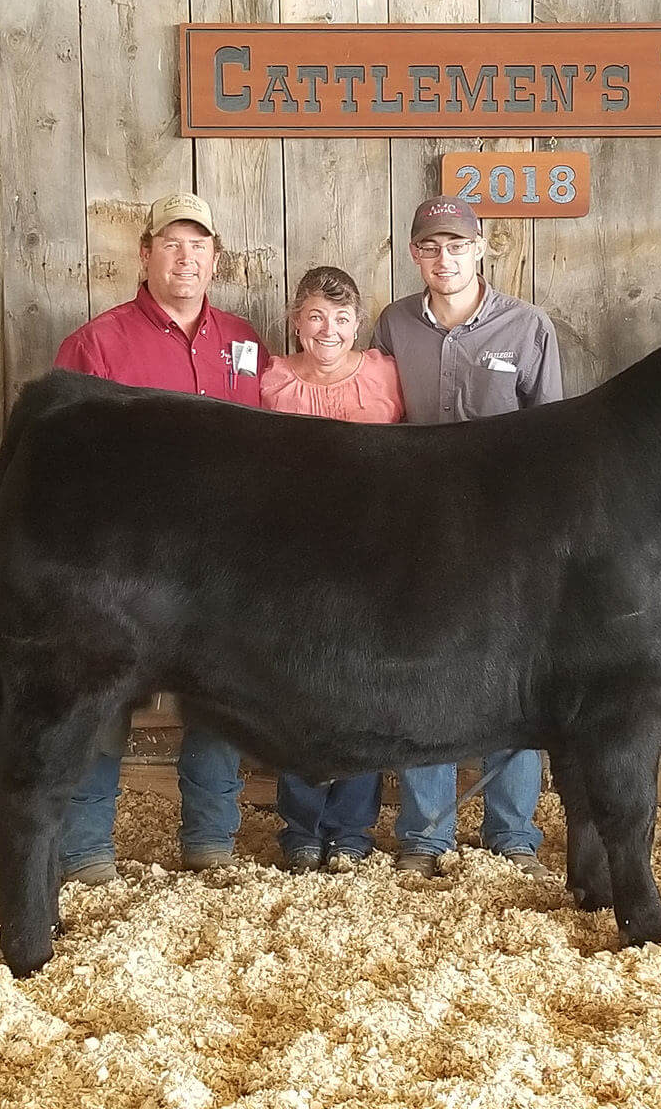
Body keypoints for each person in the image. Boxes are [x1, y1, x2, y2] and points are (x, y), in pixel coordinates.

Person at [51, 192, 265, 880]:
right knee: (103, 697)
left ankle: (210, 842)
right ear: (144, 255)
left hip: (224, 559)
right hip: (126, 563)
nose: (186, 257)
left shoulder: (244, 343)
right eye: (172, 243)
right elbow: (66, 464)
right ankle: (86, 849)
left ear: (215, 258)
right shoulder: (97, 343)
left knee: (220, 701)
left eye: (198, 245)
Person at [371, 196, 563, 881]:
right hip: (421, 530)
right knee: (426, 674)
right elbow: (381, 423)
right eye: (430, 247)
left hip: (509, 532)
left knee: (515, 677)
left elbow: (553, 440)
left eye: (456, 245)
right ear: (415, 254)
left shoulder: (528, 326)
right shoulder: (393, 324)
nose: (443, 258)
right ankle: (425, 837)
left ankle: (514, 836)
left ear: (482, 250)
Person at [259, 265, 405, 870]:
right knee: (296, 690)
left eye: (342, 318)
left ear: (358, 325)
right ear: (296, 321)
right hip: (290, 557)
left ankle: (351, 829)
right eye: (316, 315)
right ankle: (299, 828)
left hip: (370, 555)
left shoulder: (384, 375)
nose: (329, 329)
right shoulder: (268, 381)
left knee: (363, 690)